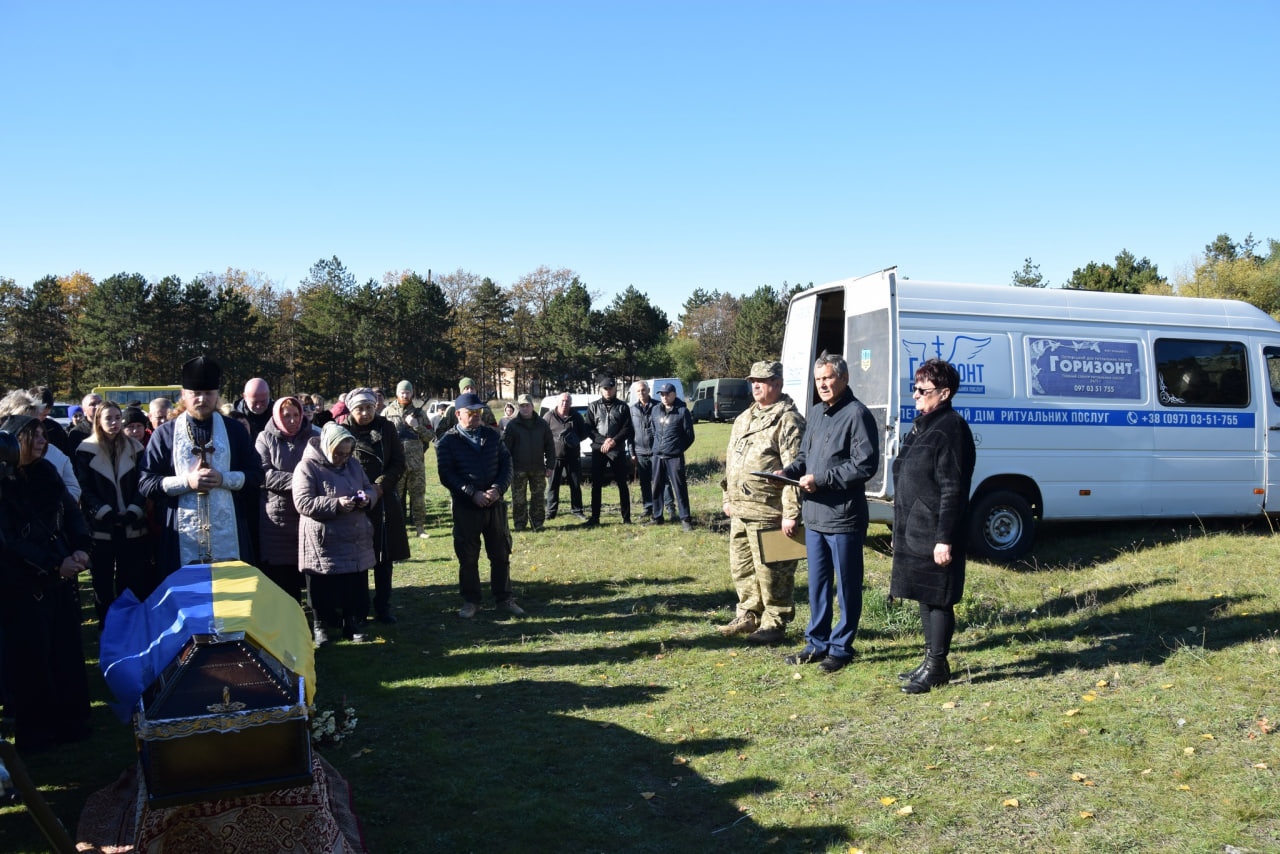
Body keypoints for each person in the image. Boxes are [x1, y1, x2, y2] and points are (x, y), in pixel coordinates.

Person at [780, 354, 880, 673]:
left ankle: (841, 647)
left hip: (844, 517)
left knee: (847, 585)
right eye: (818, 379)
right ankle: (817, 643)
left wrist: (821, 480)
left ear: (844, 378)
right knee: (818, 584)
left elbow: (864, 465)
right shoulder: (815, 413)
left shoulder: (857, 415)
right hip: (815, 516)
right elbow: (805, 457)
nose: (822, 384)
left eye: (828, 378)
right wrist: (786, 471)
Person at [0, 415, 93, 752]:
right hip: (24, 584)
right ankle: (39, 734)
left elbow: (71, 514)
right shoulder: (4, 483)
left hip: (59, 579)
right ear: (14, 440)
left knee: (66, 653)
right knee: (32, 662)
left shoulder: (47, 471)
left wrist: (81, 547)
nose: (42, 441)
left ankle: (71, 724)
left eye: (42, 434)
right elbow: (9, 541)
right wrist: (55, 563)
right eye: (33, 435)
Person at [890, 358, 976, 694]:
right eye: (915, 388)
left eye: (923, 390)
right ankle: (930, 660)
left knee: (939, 598)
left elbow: (952, 488)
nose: (915, 395)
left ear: (944, 393)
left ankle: (938, 666)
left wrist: (944, 539)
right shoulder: (924, 424)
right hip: (915, 529)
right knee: (924, 595)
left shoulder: (951, 427)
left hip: (936, 531)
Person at [139, 356, 264, 578]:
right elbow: (146, 483)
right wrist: (188, 482)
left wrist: (224, 479)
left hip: (230, 532)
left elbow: (257, 474)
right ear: (184, 395)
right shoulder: (165, 434)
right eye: (196, 393)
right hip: (180, 537)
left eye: (208, 393)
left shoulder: (235, 431)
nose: (202, 399)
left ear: (217, 395)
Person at [719, 361, 806, 645]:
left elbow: (796, 470)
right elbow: (731, 461)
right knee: (742, 567)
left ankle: (774, 623)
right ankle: (748, 614)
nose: (756, 385)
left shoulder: (788, 420)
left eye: (763, 380)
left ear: (778, 384)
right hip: (742, 510)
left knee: (774, 571)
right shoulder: (744, 417)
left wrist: (791, 513)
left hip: (771, 512)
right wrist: (727, 496)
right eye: (753, 380)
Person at [437, 391, 520, 618]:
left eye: (479, 412)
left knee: (501, 554)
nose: (475, 416)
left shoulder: (492, 436)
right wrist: (472, 493)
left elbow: (507, 465)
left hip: (495, 506)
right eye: (470, 413)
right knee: (468, 557)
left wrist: (497, 489)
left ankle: (504, 598)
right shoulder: (449, 441)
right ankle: (471, 601)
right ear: (458, 415)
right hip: (467, 508)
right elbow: (447, 474)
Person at [293, 422, 376, 644]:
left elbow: (369, 487)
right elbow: (302, 502)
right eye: (338, 453)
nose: (343, 458)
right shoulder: (307, 467)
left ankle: (351, 623)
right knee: (321, 585)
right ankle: (320, 627)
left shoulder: (354, 465)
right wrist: (335, 504)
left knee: (352, 582)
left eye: (347, 454)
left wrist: (367, 498)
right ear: (327, 446)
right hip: (322, 539)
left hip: (353, 536)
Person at [74, 401, 152, 625]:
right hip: (101, 528)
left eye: (118, 418)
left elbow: (143, 482)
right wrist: (103, 512)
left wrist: (134, 510)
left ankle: (132, 625)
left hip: (132, 524)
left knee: (133, 579)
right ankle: (107, 628)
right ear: (98, 420)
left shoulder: (135, 448)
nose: (114, 423)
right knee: (102, 581)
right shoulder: (85, 450)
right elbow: (83, 487)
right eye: (108, 418)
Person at [345, 387, 409, 624]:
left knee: (384, 557)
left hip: (384, 500)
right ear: (352, 409)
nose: (365, 412)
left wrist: (380, 487)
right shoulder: (342, 430)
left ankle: (383, 606)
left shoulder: (387, 427)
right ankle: (359, 610)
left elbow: (398, 462)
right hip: (355, 501)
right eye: (360, 408)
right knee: (357, 560)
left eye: (369, 407)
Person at [256, 395, 316, 603]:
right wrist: (304, 481)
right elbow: (263, 475)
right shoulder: (264, 438)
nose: (292, 420)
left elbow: (323, 470)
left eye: (296, 415)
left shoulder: (314, 436)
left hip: (308, 513)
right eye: (286, 416)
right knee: (283, 576)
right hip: (277, 518)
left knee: (312, 569)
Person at [381, 380, 435, 539]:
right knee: (395, 498)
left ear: (412, 394)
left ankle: (420, 528)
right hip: (395, 464)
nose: (405, 395)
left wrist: (416, 425)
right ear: (397, 393)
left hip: (416, 464)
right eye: (402, 392)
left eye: (408, 392)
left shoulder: (420, 414)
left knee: (418, 497)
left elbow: (430, 436)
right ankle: (397, 529)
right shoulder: (387, 412)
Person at [645, 383, 695, 531]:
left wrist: (677, 449)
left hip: (674, 457)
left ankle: (685, 519)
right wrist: (657, 447)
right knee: (657, 487)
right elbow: (653, 431)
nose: (664, 397)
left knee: (679, 488)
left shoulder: (682, 411)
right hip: (657, 455)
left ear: (674, 394)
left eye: (667, 394)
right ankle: (657, 516)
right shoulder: (655, 410)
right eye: (662, 394)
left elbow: (689, 436)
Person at [585, 377, 634, 526]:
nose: (608, 391)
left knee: (622, 484)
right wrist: (603, 441)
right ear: (601, 389)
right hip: (599, 450)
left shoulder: (623, 407)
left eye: (611, 388)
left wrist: (613, 441)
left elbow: (627, 428)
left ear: (615, 389)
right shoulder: (593, 407)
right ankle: (595, 518)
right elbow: (589, 428)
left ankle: (626, 518)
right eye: (605, 388)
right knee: (596, 485)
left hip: (617, 450)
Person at [503, 393, 554, 532]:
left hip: (538, 468)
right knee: (518, 499)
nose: (525, 409)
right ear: (518, 408)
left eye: (527, 405)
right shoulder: (513, 425)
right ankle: (520, 524)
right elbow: (506, 449)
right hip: (518, 469)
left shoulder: (542, 424)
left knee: (538, 497)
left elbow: (550, 445)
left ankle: (537, 523)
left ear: (532, 406)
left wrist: (550, 466)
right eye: (522, 406)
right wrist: (507, 468)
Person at [543, 392, 587, 521]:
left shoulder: (576, 416)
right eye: (562, 401)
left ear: (571, 403)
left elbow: (584, 433)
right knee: (553, 486)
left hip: (573, 456)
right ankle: (551, 512)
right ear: (557, 402)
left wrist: (575, 439)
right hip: (554, 457)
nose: (564, 403)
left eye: (567, 401)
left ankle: (577, 510)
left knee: (575, 484)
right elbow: (542, 434)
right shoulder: (549, 416)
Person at [29, 386, 69, 454]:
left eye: (45, 415)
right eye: (38, 414)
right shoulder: (20, 427)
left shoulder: (55, 429)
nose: (40, 418)